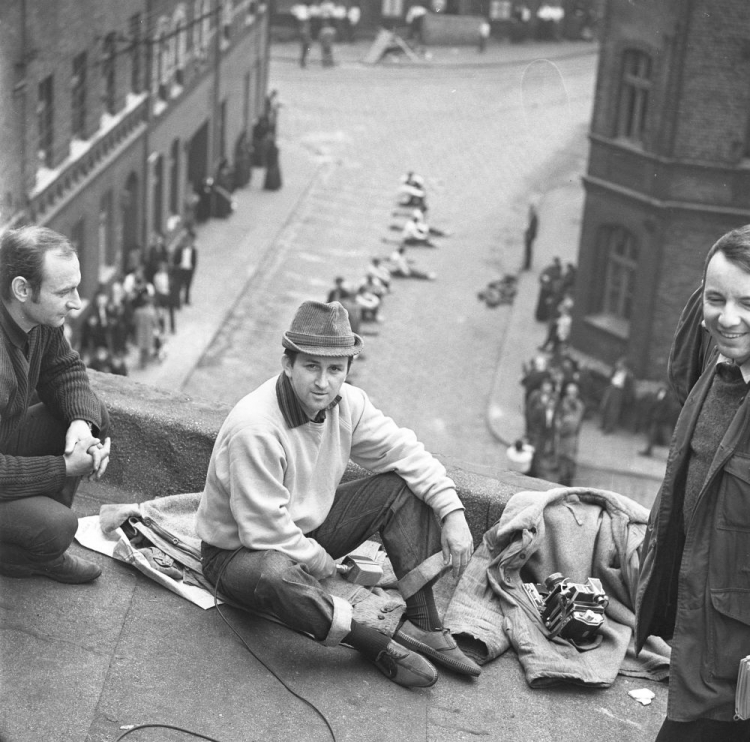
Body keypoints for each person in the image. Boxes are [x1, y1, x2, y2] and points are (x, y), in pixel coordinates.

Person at [196, 301, 480, 688]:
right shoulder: (256, 427)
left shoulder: (348, 403)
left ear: (347, 370)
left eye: (335, 369)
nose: (323, 382)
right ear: (287, 364)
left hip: (302, 529)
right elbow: (264, 532)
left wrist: (453, 512)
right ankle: (371, 642)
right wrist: (323, 563)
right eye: (311, 366)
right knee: (277, 574)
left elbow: (406, 454)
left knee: (400, 485)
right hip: (237, 554)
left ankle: (422, 622)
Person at [635, 225, 750, 740]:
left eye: (748, 302)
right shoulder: (715, 357)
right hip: (701, 644)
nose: (728, 318)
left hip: (735, 669)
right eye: (716, 298)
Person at [0, 226, 111, 583]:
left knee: (94, 415)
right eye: (64, 291)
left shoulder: (37, 318)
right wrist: (63, 468)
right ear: (21, 289)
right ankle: (26, 552)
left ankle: (32, 530)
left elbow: (65, 370)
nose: (76, 302)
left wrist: (81, 424)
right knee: (59, 527)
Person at [556, 381, 584, 486]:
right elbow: (559, 414)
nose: (570, 396)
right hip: (565, 437)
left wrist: (560, 425)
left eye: (572, 394)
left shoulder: (579, 406)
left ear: (576, 394)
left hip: (569, 437)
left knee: (568, 461)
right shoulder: (564, 402)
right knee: (563, 459)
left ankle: (566, 482)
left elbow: (573, 424)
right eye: (568, 393)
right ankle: (563, 478)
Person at [599, 356, 634, 434]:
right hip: (611, 388)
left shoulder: (629, 375)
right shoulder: (615, 370)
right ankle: (603, 424)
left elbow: (629, 387)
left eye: (620, 364)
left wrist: (627, 397)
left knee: (613, 410)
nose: (618, 365)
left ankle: (609, 428)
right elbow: (610, 377)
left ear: (624, 365)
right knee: (604, 406)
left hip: (619, 391)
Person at [174, 230, 198, 306]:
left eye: (190, 242)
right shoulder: (180, 249)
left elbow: (194, 261)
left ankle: (186, 300)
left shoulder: (193, 250)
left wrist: (193, 269)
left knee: (188, 285)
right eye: (187, 241)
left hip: (189, 269)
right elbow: (176, 259)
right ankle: (178, 301)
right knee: (179, 285)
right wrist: (177, 265)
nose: (188, 243)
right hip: (181, 269)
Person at [523, 202, 539, 271]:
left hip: (530, 236)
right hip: (529, 235)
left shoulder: (534, 218)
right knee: (527, 250)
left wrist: (529, 235)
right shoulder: (532, 217)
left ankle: (527, 265)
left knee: (528, 250)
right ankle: (526, 264)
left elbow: (533, 228)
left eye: (531, 210)